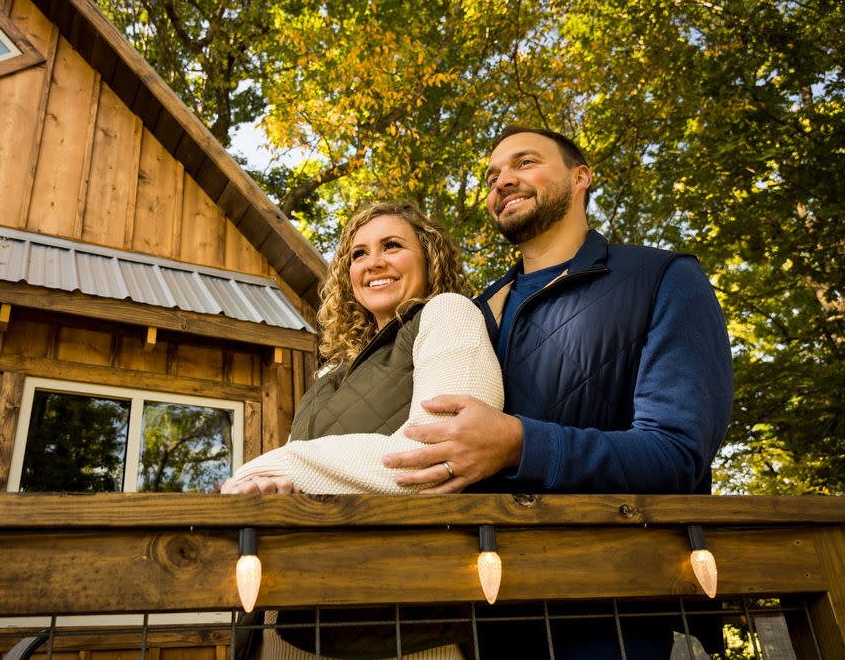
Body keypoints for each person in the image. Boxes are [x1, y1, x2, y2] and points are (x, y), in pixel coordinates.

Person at [378, 126, 734, 658]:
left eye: (524, 163)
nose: (503, 181)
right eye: (493, 175)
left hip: (614, 604)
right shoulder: (468, 315)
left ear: (580, 177)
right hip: (478, 605)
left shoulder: (663, 277)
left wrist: (520, 443)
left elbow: (678, 453)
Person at [224, 201, 495, 658]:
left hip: (404, 628)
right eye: (358, 254)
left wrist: (270, 467)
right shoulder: (329, 374)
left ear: (431, 258)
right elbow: (290, 486)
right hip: (285, 621)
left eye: (392, 246)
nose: (373, 262)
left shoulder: (448, 314)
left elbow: (430, 458)